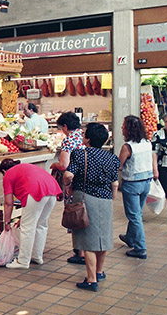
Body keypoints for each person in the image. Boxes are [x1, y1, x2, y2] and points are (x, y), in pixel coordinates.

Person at [64, 123, 120, 292]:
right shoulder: (112, 158)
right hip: (106, 199)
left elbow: (68, 174)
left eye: (84, 134)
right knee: (103, 237)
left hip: (86, 198)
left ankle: (91, 280)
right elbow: (115, 183)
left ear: (88, 139)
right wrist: (112, 198)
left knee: (87, 240)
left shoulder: (80, 154)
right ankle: (99, 272)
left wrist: (67, 185)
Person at [0, 158, 61, 269]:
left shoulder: (8, 174)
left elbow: (8, 203)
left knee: (27, 228)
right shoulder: (25, 167)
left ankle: (23, 261)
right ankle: (37, 256)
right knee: (41, 224)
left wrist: (7, 222)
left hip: (35, 191)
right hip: (52, 190)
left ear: (4, 171)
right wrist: (23, 217)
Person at [50, 111, 85, 264]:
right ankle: (84, 250)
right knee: (83, 213)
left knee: (75, 214)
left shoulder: (69, 140)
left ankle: (80, 252)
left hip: (73, 181)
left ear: (65, 126)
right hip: (85, 180)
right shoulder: (82, 136)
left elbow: (64, 165)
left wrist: (55, 165)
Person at [118, 115, 153, 260]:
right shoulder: (147, 143)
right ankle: (130, 237)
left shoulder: (127, 147)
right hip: (146, 181)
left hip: (132, 183)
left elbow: (119, 165)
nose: (122, 128)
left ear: (129, 129)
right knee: (137, 212)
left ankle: (140, 248)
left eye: (124, 126)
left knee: (134, 216)